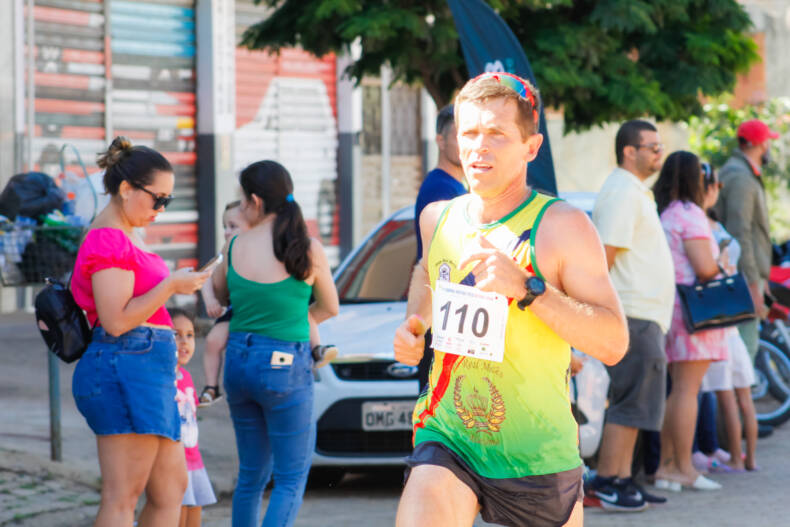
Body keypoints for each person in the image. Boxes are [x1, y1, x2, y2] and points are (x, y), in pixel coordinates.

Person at [393, 72, 628, 527]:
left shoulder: (562, 226)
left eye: (496, 134)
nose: (479, 147)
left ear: (531, 148)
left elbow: (614, 342)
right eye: (469, 133)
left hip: (535, 452)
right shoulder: (437, 218)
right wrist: (415, 324)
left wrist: (526, 289)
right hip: (450, 433)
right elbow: (427, 272)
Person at [70, 137, 210, 526]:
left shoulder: (124, 233)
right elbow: (116, 320)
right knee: (123, 497)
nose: (161, 209)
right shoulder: (109, 238)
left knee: (171, 490)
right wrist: (171, 285)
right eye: (157, 199)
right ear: (126, 189)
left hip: (143, 368)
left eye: (168, 201)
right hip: (126, 366)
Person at [211, 160, 339, 527]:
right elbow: (330, 307)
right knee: (289, 478)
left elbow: (219, 292)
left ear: (254, 200)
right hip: (285, 366)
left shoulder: (235, 245)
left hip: (239, 361)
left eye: (242, 198)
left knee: (251, 476)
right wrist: (297, 318)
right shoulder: (307, 249)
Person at [588, 120, 675, 510]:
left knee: (640, 402)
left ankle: (623, 478)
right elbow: (603, 258)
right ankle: (608, 482)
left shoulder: (633, 190)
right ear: (629, 151)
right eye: (652, 147)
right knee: (630, 401)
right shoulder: (623, 191)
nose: (659, 153)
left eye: (660, 147)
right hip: (632, 314)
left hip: (645, 316)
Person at [199, 201, 337, 407]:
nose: (227, 232)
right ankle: (211, 387)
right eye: (224, 227)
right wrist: (210, 300)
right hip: (237, 312)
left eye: (233, 226)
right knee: (212, 341)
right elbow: (205, 275)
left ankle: (317, 348)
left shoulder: (268, 251)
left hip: (268, 327)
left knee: (302, 313)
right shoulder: (227, 251)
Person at [653, 151, 727, 492]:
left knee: (677, 391)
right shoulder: (690, 214)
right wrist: (720, 259)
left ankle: (667, 467)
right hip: (696, 310)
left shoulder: (667, 212)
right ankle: (684, 467)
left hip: (673, 308)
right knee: (687, 391)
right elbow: (705, 268)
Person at [697, 163, 759, 472]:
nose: (718, 191)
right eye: (716, 186)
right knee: (744, 399)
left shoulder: (701, 227)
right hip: (733, 322)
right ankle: (750, 461)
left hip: (716, 324)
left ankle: (735, 457)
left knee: (726, 399)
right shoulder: (719, 229)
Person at [715, 119, 779, 360]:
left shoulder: (740, 172)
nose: (768, 147)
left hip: (744, 276)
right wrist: (752, 282)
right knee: (744, 350)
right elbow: (739, 233)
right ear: (760, 144)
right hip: (742, 279)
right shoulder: (741, 178)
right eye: (767, 142)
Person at [414, 104, 467, 392]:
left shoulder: (456, 187)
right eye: (458, 136)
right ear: (440, 140)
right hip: (443, 320)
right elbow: (436, 262)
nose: (466, 144)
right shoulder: (440, 190)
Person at [171, 308, 217, 527]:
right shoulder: (162, 379)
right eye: (176, 335)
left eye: (189, 335)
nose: (184, 342)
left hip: (193, 460)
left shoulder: (186, 376)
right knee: (176, 517)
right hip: (172, 463)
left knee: (194, 515)